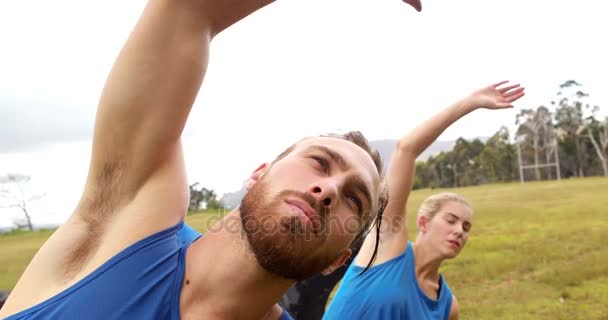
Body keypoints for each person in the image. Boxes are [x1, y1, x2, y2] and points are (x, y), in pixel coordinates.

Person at [0, 0, 436, 318]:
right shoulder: (128, 220)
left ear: (336, 262)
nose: (328, 190)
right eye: (319, 162)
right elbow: (186, 11)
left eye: (354, 201)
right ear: (258, 174)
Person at [322, 81, 526, 320]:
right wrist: (471, 102)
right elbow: (406, 149)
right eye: (451, 220)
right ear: (423, 222)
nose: (459, 231)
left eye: (466, 227)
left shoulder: (449, 307)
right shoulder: (387, 244)